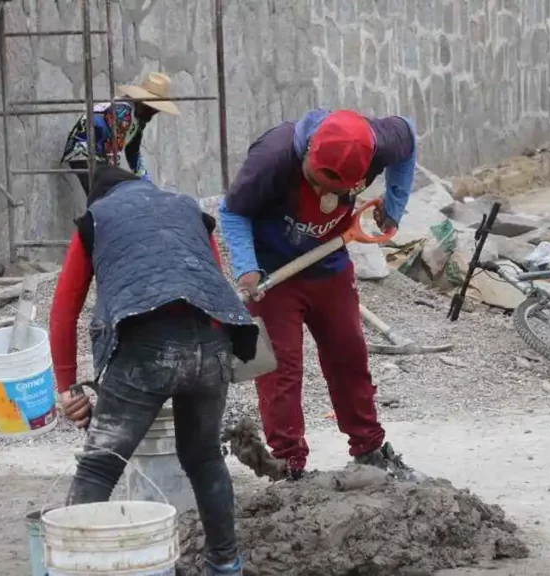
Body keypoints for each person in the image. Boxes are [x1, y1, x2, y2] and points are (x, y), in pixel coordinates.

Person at [48, 166, 257, 575]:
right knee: (203, 457)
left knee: (100, 462)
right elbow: (212, 281)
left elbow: (63, 311)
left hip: (147, 347)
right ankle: (226, 564)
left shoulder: (98, 218)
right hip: (212, 345)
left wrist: (67, 386)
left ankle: (71, 567)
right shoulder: (187, 209)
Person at [217, 108, 419, 481]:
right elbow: (230, 212)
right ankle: (288, 468)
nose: (326, 194)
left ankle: (369, 450)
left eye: (337, 189)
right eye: (317, 181)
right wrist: (246, 266)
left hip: (330, 266)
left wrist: (394, 207)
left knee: (349, 356)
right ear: (308, 152)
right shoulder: (273, 156)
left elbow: (409, 140)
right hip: (273, 274)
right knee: (281, 371)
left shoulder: (383, 140)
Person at [59, 72, 180, 195]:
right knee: (105, 196)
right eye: (151, 107)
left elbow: (133, 152)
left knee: (109, 194)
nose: (154, 112)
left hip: (101, 155)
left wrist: (146, 183)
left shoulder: (139, 118)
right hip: (84, 150)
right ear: (141, 102)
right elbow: (112, 152)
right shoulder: (123, 113)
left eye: (156, 109)